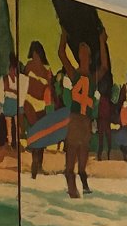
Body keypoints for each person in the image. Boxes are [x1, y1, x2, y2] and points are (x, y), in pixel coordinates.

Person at [59, 30, 105, 198]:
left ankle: (82, 186)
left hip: (86, 121)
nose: (83, 56)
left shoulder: (92, 78)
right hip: (75, 119)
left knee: (83, 160)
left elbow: (104, 67)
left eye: (86, 53)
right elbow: (61, 54)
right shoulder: (74, 73)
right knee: (71, 156)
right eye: (81, 53)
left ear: (90, 58)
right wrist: (64, 35)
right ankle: (72, 189)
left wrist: (102, 41)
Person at [21, 41, 53, 177]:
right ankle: (35, 164)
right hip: (29, 102)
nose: (35, 56)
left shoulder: (47, 71)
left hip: (41, 105)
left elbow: (49, 90)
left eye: (37, 54)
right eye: (33, 53)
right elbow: (23, 83)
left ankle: (39, 164)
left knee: (42, 136)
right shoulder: (28, 66)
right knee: (35, 133)